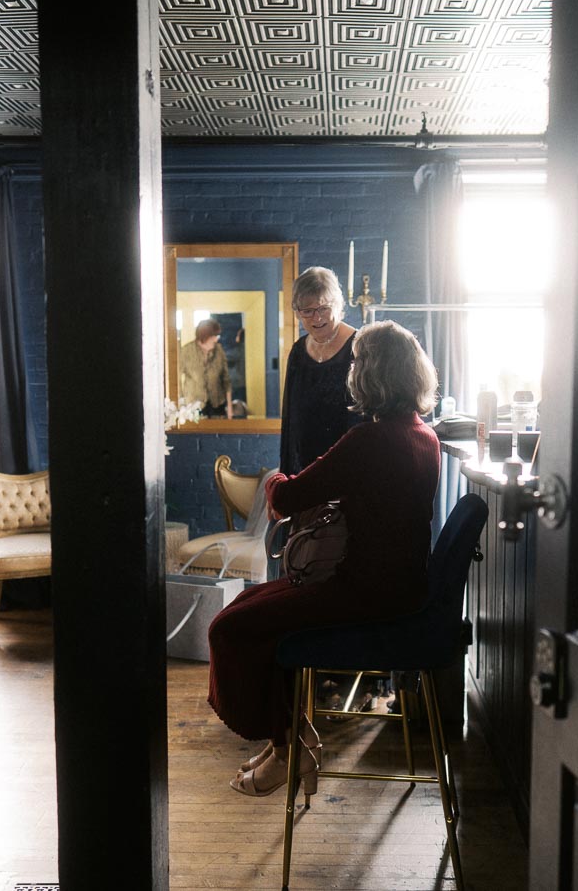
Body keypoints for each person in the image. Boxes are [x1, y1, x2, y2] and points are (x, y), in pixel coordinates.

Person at [207, 320, 441, 796]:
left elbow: (288, 499)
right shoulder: (423, 436)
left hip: (363, 592)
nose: (349, 370)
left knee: (229, 627)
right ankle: (286, 745)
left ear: (369, 375)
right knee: (247, 610)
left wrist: (272, 477)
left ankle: (290, 748)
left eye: (355, 363)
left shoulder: (370, 441)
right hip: (398, 587)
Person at [279, 266, 363, 475]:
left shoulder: (360, 347)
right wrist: (286, 477)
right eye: (307, 311)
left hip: (348, 468)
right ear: (297, 312)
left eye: (323, 308)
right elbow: (290, 420)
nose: (316, 318)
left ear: (338, 304)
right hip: (304, 470)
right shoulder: (298, 352)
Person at [180, 317, 232, 417]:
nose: (217, 339)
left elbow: (226, 380)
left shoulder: (219, 351)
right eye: (214, 336)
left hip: (217, 405)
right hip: (193, 406)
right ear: (204, 336)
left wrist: (229, 408)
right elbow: (176, 380)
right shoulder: (186, 352)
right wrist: (181, 405)